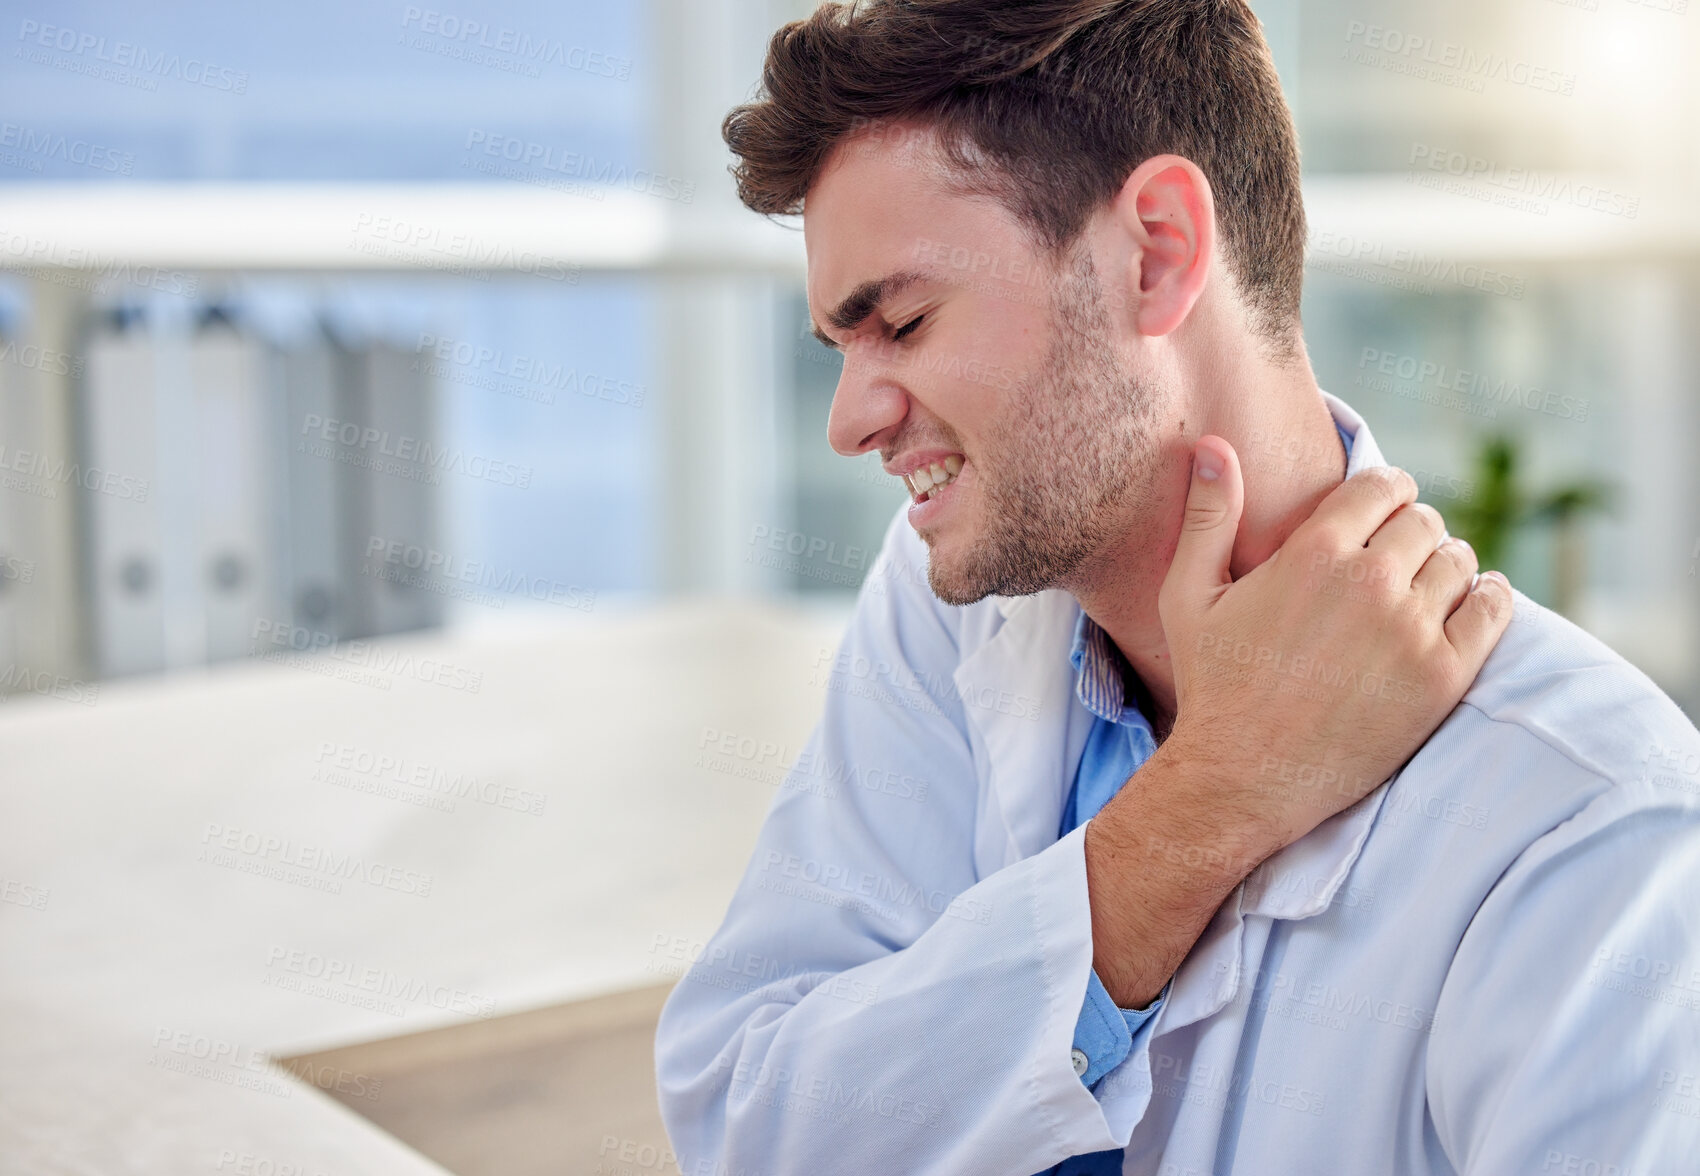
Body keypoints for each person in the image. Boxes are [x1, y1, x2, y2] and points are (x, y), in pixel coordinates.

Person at [654, 2, 1700, 1172]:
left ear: (1155, 251)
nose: (852, 422)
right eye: (839, 352)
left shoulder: (1592, 820)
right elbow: (751, 1121)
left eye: (900, 321)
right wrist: (1204, 805)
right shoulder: (956, 603)